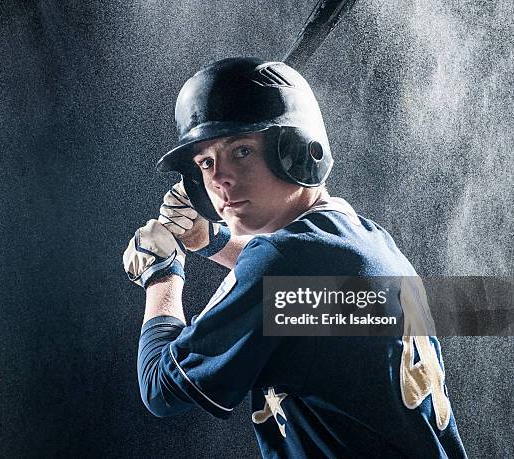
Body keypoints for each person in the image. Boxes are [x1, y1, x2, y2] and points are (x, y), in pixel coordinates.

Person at [123, 57, 467, 458]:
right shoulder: (365, 238)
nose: (219, 179)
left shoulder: (282, 258)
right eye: (206, 162)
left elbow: (162, 388)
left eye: (241, 151)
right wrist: (211, 241)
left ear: (300, 151)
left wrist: (162, 272)